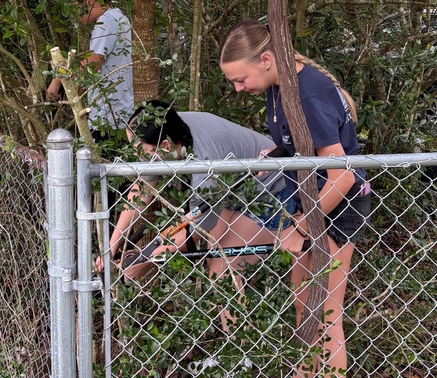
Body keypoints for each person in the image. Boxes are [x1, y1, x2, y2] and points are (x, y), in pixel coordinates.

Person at [218, 18, 370, 378]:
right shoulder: (277, 84)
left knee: (326, 315)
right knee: (303, 303)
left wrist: (303, 227)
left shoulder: (308, 89)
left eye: (240, 78)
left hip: (335, 209)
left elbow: (342, 173)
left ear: (266, 59)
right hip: (305, 199)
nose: (238, 88)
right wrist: (277, 153)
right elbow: (302, 142)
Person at [108, 101, 297, 284]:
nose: (137, 155)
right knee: (212, 259)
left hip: (271, 190)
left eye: (140, 150)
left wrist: (147, 260)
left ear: (165, 146)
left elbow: (194, 231)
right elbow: (143, 190)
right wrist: (114, 243)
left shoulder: (204, 167)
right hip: (231, 189)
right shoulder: (165, 126)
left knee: (222, 277)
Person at [47, 0, 134, 147]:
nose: (74, 16)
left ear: (88, 2)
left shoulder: (106, 21)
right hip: (118, 112)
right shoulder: (118, 17)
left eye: (74, 8)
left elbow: (94, 61)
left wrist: (57, 81)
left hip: (108, 118)